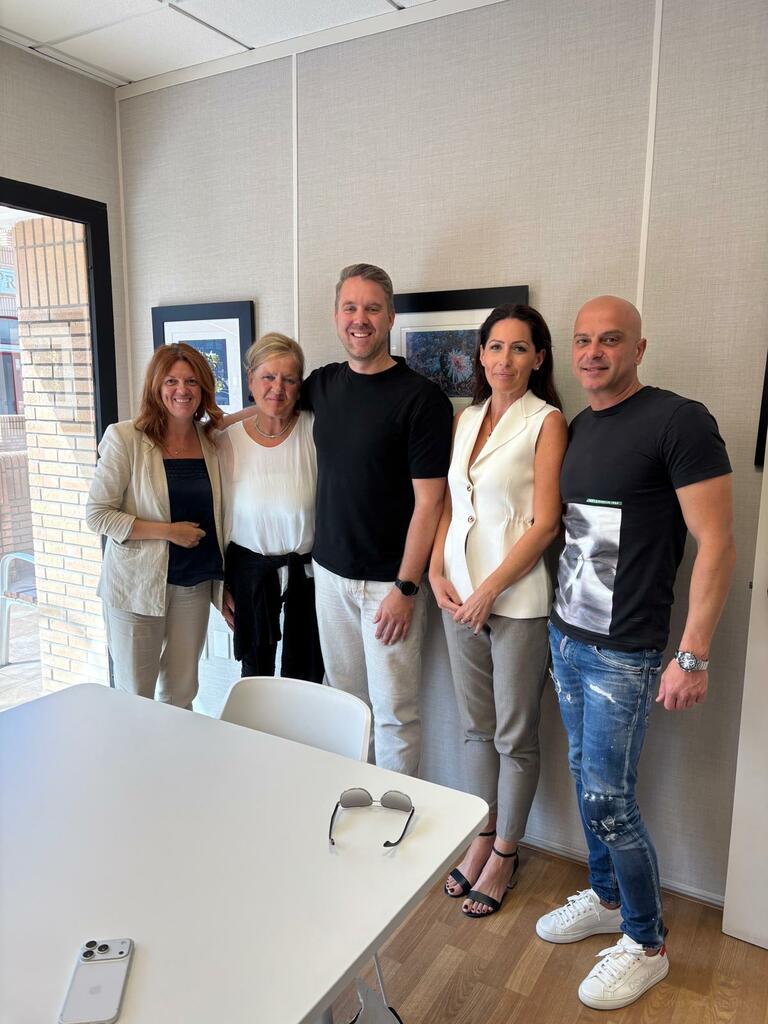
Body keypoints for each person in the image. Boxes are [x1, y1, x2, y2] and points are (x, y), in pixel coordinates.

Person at [536, 296, 735, 1010]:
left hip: (626, 652)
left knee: (611, 801)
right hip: (567, 637)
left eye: (610, 340)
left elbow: (717, 542)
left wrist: (694, 654)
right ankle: (608, 898)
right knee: (584, 777)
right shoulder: (581, 426)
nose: (593, 353)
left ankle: (646, 943)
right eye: (583, 340)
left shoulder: (679, 421)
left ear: (639, 348)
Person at [429, 304, 567, 918]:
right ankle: (482, 834)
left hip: (516, 602)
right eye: (494, 347)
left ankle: (507, 853)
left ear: (538, 358)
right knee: (474, 728)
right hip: (457, 596)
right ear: (479, 355)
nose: (503, 359)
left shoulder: (547, 421)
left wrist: (489, 590)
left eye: (518, 348)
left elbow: (545, 524)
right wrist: (437, 572)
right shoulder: (466, 417)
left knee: (514, 735)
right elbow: (451, 506)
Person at [302, 263, 453, 774]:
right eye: (350, 307)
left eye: (371, 308)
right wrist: (208, 426)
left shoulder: (421, 399)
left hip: (388, 585)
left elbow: (431, 502)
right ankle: (350, 802)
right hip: (329, 576)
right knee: (345, 705)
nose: (359, 319)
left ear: (390, 318)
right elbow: (270, 410)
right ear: (336, 316)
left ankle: (394, 814)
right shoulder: (323, 384)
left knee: (394, 715)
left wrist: (406, 588)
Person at [86, 343, 225, 708]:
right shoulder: (125, 438)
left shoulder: (211, 440)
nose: (182, 390)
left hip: (194, 585)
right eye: (171, 381)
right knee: (136, 698)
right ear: (155, 386)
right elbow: (98, 514)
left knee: (181, 694)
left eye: (192, 381)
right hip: (136, 586)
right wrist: (168, 531)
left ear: (203, 388)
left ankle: (175, 750)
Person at [217, 332, 323, 683]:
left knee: (304, 679)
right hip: (248, 574)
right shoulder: (224, 441)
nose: (278, 387)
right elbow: (214, 518)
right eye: (268, 377)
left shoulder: (315, 430)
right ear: (250, 380)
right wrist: (219, 586)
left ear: (300, 385)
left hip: (307, 577)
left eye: (289, 379)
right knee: (255, 677)